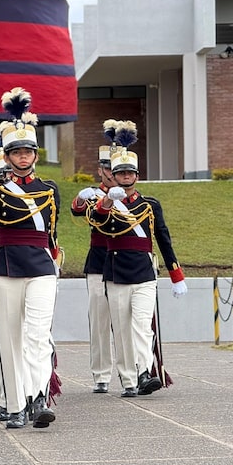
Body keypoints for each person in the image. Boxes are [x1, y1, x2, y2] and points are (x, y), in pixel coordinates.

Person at [0, 87, 60, 429]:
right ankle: (16, 402)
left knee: (37, 335)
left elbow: (52, 233)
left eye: (27, 152)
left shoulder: (49, 189)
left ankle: (39, 398)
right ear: (7, 157)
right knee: (10, 340)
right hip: (5, 268)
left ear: (34, 155)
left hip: (40, 267)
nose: (23, 157)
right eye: (17, 152)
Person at [89, 121, 187, 397]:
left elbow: (163, 239)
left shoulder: (150, 204)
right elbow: (97, 222)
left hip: (144, 270)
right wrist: (108, 202)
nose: (126, 177)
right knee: (121, 330)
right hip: (117, 271)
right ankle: (129, 379)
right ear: (114, 176)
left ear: (136, 175)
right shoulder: (103, 203)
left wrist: (176, 274)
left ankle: (144, 372)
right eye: (120, 172)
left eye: (130, 172)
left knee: (142, 325)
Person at [70, 120, 118, 394]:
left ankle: (136, 370)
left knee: (131, 321)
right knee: (100, 319)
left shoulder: (133, 193)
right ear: (100, 170)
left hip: (128, 262)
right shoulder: (94, 195)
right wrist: (81, 198)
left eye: (119, 168)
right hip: (100, 259)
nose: (114, 173)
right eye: (109, 168)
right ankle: (101, 374)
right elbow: (77, 211)